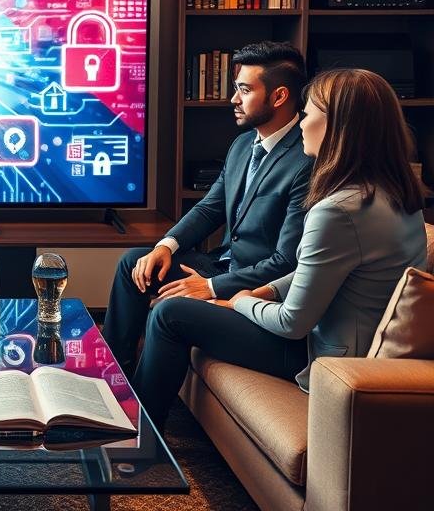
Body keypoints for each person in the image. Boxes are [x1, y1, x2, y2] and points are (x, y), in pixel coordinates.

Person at [132, 68, 428, 432]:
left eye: (310, 112)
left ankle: (141, 437)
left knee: (171, 314)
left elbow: (291, 322)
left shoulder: (337, 210)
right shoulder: (400, 195)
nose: (302, 122)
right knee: (165, 291)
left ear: (339, 127)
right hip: (338, 343)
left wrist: (238, 299)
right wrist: (266, 291)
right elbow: (318, 270)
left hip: (324, 360)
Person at [102, 41, 314, 375]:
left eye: (244, 90)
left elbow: (286, 261)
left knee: (167, 311)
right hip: (221, 265)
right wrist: (166, 245)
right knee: (134, 263)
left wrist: (211, 288)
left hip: (256, 288)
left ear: (279, 96)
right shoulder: (243, 144)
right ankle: (115, 376)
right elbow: (209, 209)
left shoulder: (306, 159)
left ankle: (143, 416)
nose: (234, 100)